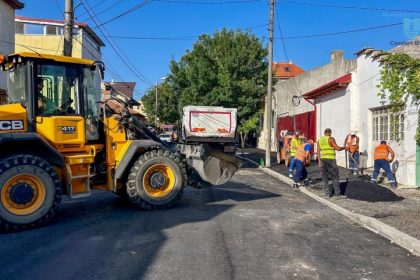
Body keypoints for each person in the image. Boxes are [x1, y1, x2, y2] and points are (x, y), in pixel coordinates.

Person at [317, 128, 346, 198]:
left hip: (323, 160)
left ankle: (327, 194)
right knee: (335, 176)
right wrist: (345, 147)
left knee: (324, 177)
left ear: (324, 133)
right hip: (331, 160)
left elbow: (318, 151)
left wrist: (319, 161)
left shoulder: (319, 140)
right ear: (330, 133)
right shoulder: (331, 139)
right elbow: (338, 148)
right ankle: (337, 194)